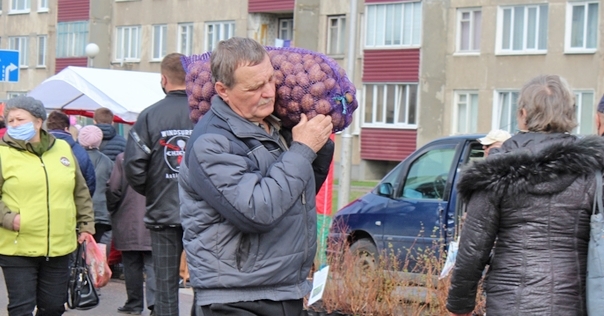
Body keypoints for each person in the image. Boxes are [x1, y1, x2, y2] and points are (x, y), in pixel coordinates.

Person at [179, 37, 334, 316]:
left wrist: (315, 145)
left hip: (281, 288)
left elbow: (294, 198)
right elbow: (258, 211)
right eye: (254, 87)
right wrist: (303, 149)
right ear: (222, 90)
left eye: (271, 81)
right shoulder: (212, 143)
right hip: (237, 299)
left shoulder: (274, 127)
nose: (268, 93)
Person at [446, 74, 604, 315]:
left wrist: (460, 305)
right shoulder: (591, 172)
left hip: (509, 304)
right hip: (572, 304)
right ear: (570, 114)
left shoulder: (495, 173)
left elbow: (473, 248)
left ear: (522, 115)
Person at [0, 96, 95, 315]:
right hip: (18, 245)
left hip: (59, 244)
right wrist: (9, 218)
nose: (13, 124)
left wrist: (86, 224)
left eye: (19, 119)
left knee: (53, 307)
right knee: (21, 308)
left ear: (38, 122)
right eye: (10, 120)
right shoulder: (3, 153)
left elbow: (79, 190)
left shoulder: (61, 148)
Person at [124, 52, 194, 316]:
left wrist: (154, 189)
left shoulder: (149, 116)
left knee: (164, 287)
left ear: (163, 79)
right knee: (204, 283)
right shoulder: (206, 114)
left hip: (163, 212)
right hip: (203, 213)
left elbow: (134, 166)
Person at [107, 152, 156, 316]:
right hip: (155, 216)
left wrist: (113, 209)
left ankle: (134, 304)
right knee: (153, 264)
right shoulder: (159, 155)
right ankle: (155, 303)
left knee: (131, 263)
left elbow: (114, 188)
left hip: (127, 217)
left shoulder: (123, 157)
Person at [79, 125, 114, 255]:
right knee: (97, 246)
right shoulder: (108, 162)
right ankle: (95, 272)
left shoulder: (74, 158)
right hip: (101, 211)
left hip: (80, 212)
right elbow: (114, 187)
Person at [47, 111, 97, 197]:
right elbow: (90, 181)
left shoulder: (38, 149)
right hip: (73, 203)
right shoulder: (80, 151)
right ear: (67, 129)